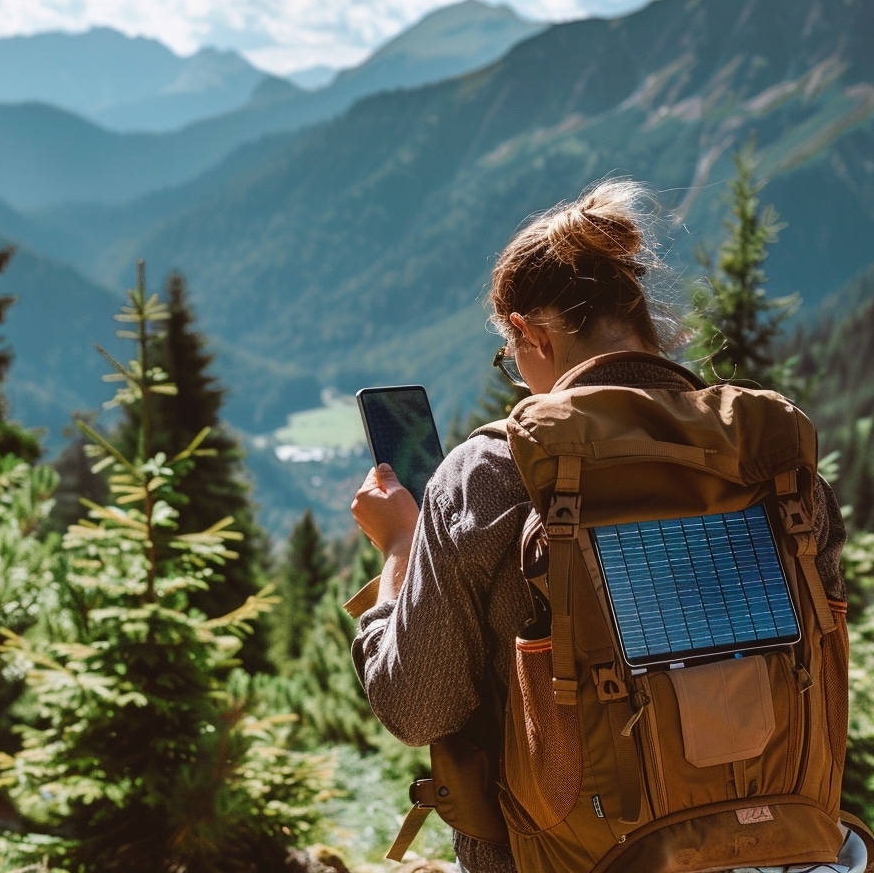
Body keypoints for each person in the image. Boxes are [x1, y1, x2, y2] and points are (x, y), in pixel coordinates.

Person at [350, 178, 856, 873]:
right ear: (648, 324)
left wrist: (401, 551)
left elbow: (416, 708)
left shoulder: (491, 474)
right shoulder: (770, 462)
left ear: (531, 336)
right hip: (780, 849)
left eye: (511, 356)